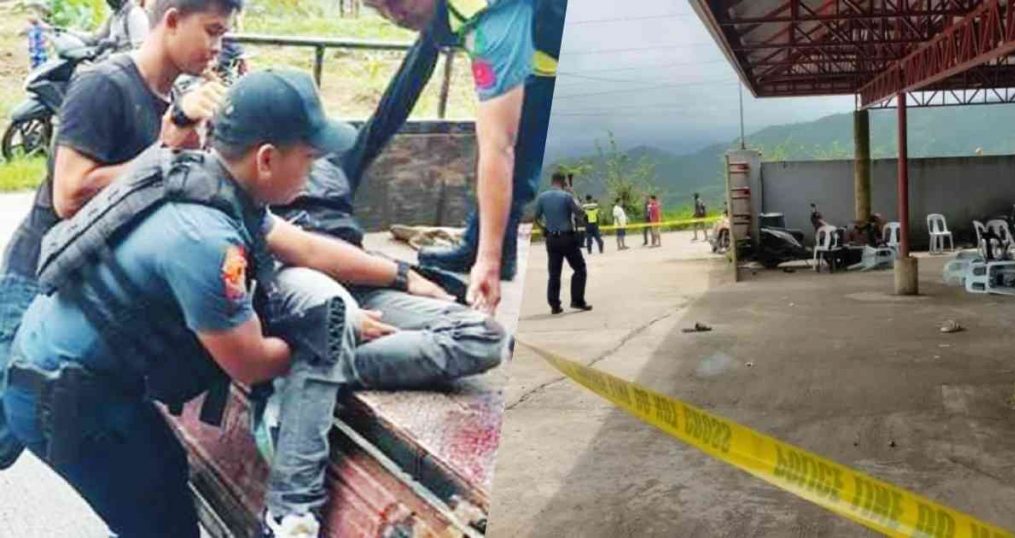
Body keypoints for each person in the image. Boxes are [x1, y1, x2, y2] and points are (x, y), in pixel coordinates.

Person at [4, 70, 506, 538]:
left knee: (166, 477)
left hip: (73, 375)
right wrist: (326, 335)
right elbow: (249, 362)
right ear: (266, 158)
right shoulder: (204, 240)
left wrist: (401, 274)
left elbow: (303, 246)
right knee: (162, 524)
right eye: (309, 159)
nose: (313, 174)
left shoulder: (205, 177)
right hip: (67, 401)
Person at [0, 0, 238, 471]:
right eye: (211, 31)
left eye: (222, 35)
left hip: (79, 288)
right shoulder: (103, 85)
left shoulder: (169, 101)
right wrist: (164, 152)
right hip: (33, 280)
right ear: (171, 20)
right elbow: (70, 194)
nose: (216, 47)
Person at [365, 0, 566, 315]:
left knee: (505, 141)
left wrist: (488, 263)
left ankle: (491, 251)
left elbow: (498, 147)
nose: (395, 15)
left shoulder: (488, 24)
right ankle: (490, 244)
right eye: (378, 8)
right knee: (522, 139)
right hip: (545, 56)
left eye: (394, 1)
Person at [535, 173, 591, 314]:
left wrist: (544, 230)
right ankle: (577, 301)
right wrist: (573, 193)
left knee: (554, 273)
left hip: (551, 239)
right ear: (563, 182)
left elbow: (535, 217)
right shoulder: (566, 197)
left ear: (552, 181)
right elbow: (580, 213)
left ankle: (555, 305)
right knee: (580, 269)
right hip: (567, 238)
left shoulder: (542, 197)